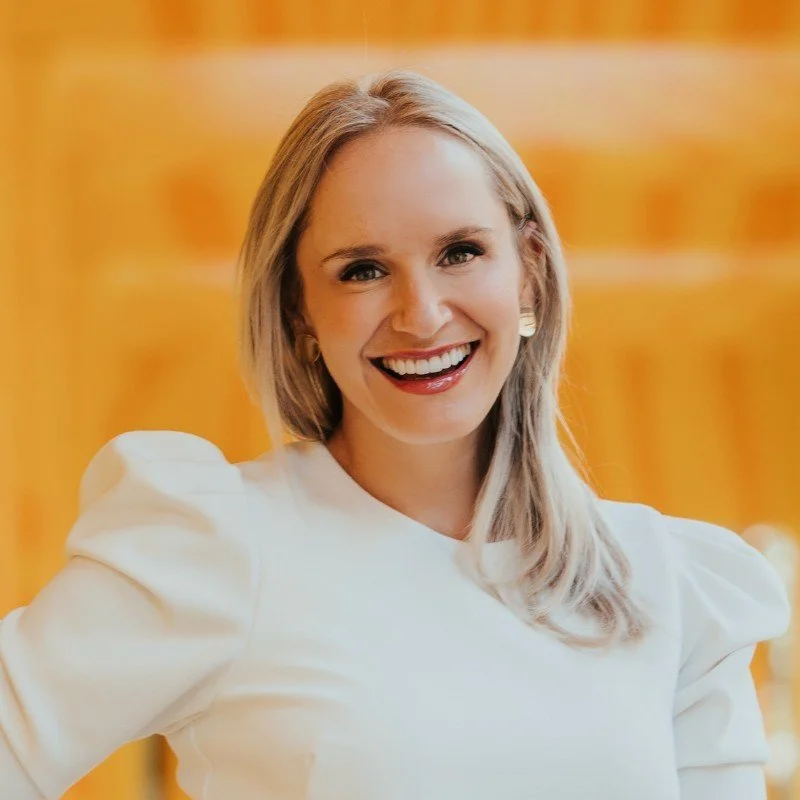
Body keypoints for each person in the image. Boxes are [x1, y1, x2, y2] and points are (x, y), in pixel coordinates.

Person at [0, 69, 790, 800]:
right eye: (362, 270)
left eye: (460, 252)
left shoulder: (671, 586)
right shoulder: (215, 545)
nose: (421, 314)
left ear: (531, 273)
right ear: (299, 311)